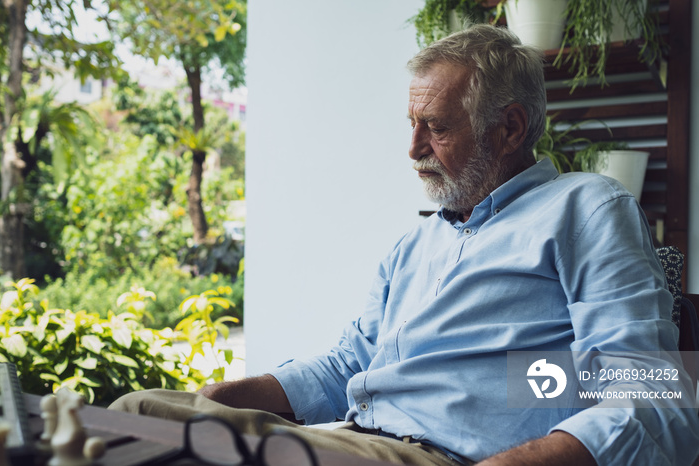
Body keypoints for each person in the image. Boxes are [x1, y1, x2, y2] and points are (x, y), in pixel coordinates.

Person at [109, 24, 699, 465]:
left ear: (510, 128)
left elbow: (649, 398)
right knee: (134, 414)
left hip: (436, 455)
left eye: (436, 127)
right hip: (351, 438)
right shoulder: (416, 243)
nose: (413, 148)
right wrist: (227, 395)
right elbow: (349, 363)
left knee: (133, 437)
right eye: (411, 124)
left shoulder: (586, 208)